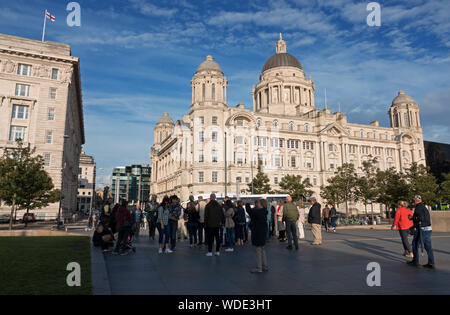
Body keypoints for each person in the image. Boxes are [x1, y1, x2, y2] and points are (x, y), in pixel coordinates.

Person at [408, 195, 435, 268]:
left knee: (415, 244)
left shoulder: (418, 207)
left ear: (416, 201)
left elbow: (421, 218)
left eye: (413, 200)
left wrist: (412, 219)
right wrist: (413, 220)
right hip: (428, 229)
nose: (413, 202)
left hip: (422, 229)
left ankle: (415, 261)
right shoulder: (423, 207)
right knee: (428, 246)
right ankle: (431, 262)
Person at [246, 199, 269, 273]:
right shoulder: (264, 211)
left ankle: (259, 268)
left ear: (261, 204)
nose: (256, 204)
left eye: (258, 203)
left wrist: (248, 203)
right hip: (262, 232)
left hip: (257, 232)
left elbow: (249, 211)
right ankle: (264, 266)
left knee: (258, 250)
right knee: (262, 249)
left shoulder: (258, 212)